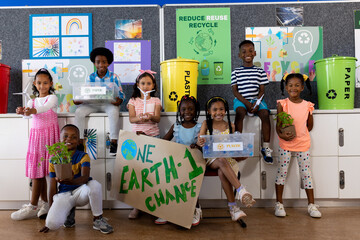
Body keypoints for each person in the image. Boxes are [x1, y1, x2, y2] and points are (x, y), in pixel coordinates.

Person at [39, 124, 113, 234]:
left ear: (79, 141)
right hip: (64, 194)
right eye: (65, 136)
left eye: (74, 137)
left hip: (80, 192)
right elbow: (52, 187)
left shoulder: (83, 156)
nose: (69, 139)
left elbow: (85, 178)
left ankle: (98, 219)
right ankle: (69, 213)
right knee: (52, 224)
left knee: (95, 184)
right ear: (60, 139)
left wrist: (71, 181)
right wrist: (50, 212)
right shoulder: (54, 159)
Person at [197, 96, 255, 222]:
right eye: (215, 109)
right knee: (221, 160)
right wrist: (201, 141)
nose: (218, 112)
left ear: (225, 110)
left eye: (221, 109)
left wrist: (241, 150)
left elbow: (233, 146)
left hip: (226, 160)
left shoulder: (230, 125)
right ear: (209, 111)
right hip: (211, 159)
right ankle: (240, 190)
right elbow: (200, 140)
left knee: (222, 172)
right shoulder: (206, 123)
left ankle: (234, 209)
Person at [12, 68, 60, 221]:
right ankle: (40, 204)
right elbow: (27, 117)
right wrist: (22, 111)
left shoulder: (52, 98)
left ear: (50, 84)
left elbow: (43, 109)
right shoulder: (31, 100)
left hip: (50, 137)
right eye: (39, 83)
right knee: (37, 172)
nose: (42, 86)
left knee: (47, 172)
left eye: (45, 83)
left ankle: (39, 205)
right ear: (35, 83)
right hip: (36, 138)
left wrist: (31, 110)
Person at [275, 73, 321, 218]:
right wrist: (282, 135)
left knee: (306, 174)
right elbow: (278, 126)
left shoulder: (307, 105)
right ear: (286, 87)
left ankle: (312, 205)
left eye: (296, 85)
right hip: (286, 143)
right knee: (282, 173)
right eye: (290, 85)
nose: (293, 88)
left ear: (302, 87)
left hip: (302, 143)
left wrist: (310, 112)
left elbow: (310, 127)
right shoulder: (282, 104)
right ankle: (279, 204)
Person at [74, 47, 125, 155]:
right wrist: (80, 100)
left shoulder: (114, 77)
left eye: (104, 62)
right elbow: (86, 93)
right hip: (93, 104)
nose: (101, 65)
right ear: (94, 63)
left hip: (108, 104)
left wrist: (119, 101)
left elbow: (121, 94)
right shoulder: (91, 77)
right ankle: (79, 142)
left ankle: (113, 142)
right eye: (98, 62)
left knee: (114, 111)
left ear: (109, 63)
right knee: (79, 112)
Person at [161, 95, 202, 226]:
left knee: (190, 180)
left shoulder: (200, 127)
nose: (187, 112)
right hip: (178, 161)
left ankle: (196, 208)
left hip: (194, 161)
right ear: (180, 111)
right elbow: (162, 142)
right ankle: (168, 210)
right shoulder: (176, 126)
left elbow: (204, 147)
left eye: (190, 109)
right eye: (183, 109)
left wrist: (197, 146)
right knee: (165, 174)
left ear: (196, 111)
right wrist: (144, 138)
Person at [127, 69, 162, 220]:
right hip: (137, 140)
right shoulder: (133, 101)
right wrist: (140, 117)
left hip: (153, 138)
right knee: (138, 174)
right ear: (137, 84)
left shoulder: (156, 101)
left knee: (153, 174)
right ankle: (137, 206)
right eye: (143, 83)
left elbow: (157, 119)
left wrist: (150, 117)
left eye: (149, 83)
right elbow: (131, 119)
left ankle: (154, 206)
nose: (146, 86)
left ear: (153, 84)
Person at [231, 40, 273, 164]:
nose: (247, 54)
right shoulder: (236, 72)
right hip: (241, 100)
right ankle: (237, 144)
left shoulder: (260, 71)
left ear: (254, 53)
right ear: (239, 55)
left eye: (250, 51)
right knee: (240, 112)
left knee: (265, 114)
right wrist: (247, 103)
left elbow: (262, 91)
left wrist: (257, 103)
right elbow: (235, 92)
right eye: (243, 52)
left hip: (257, 100)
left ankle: (266, 147)